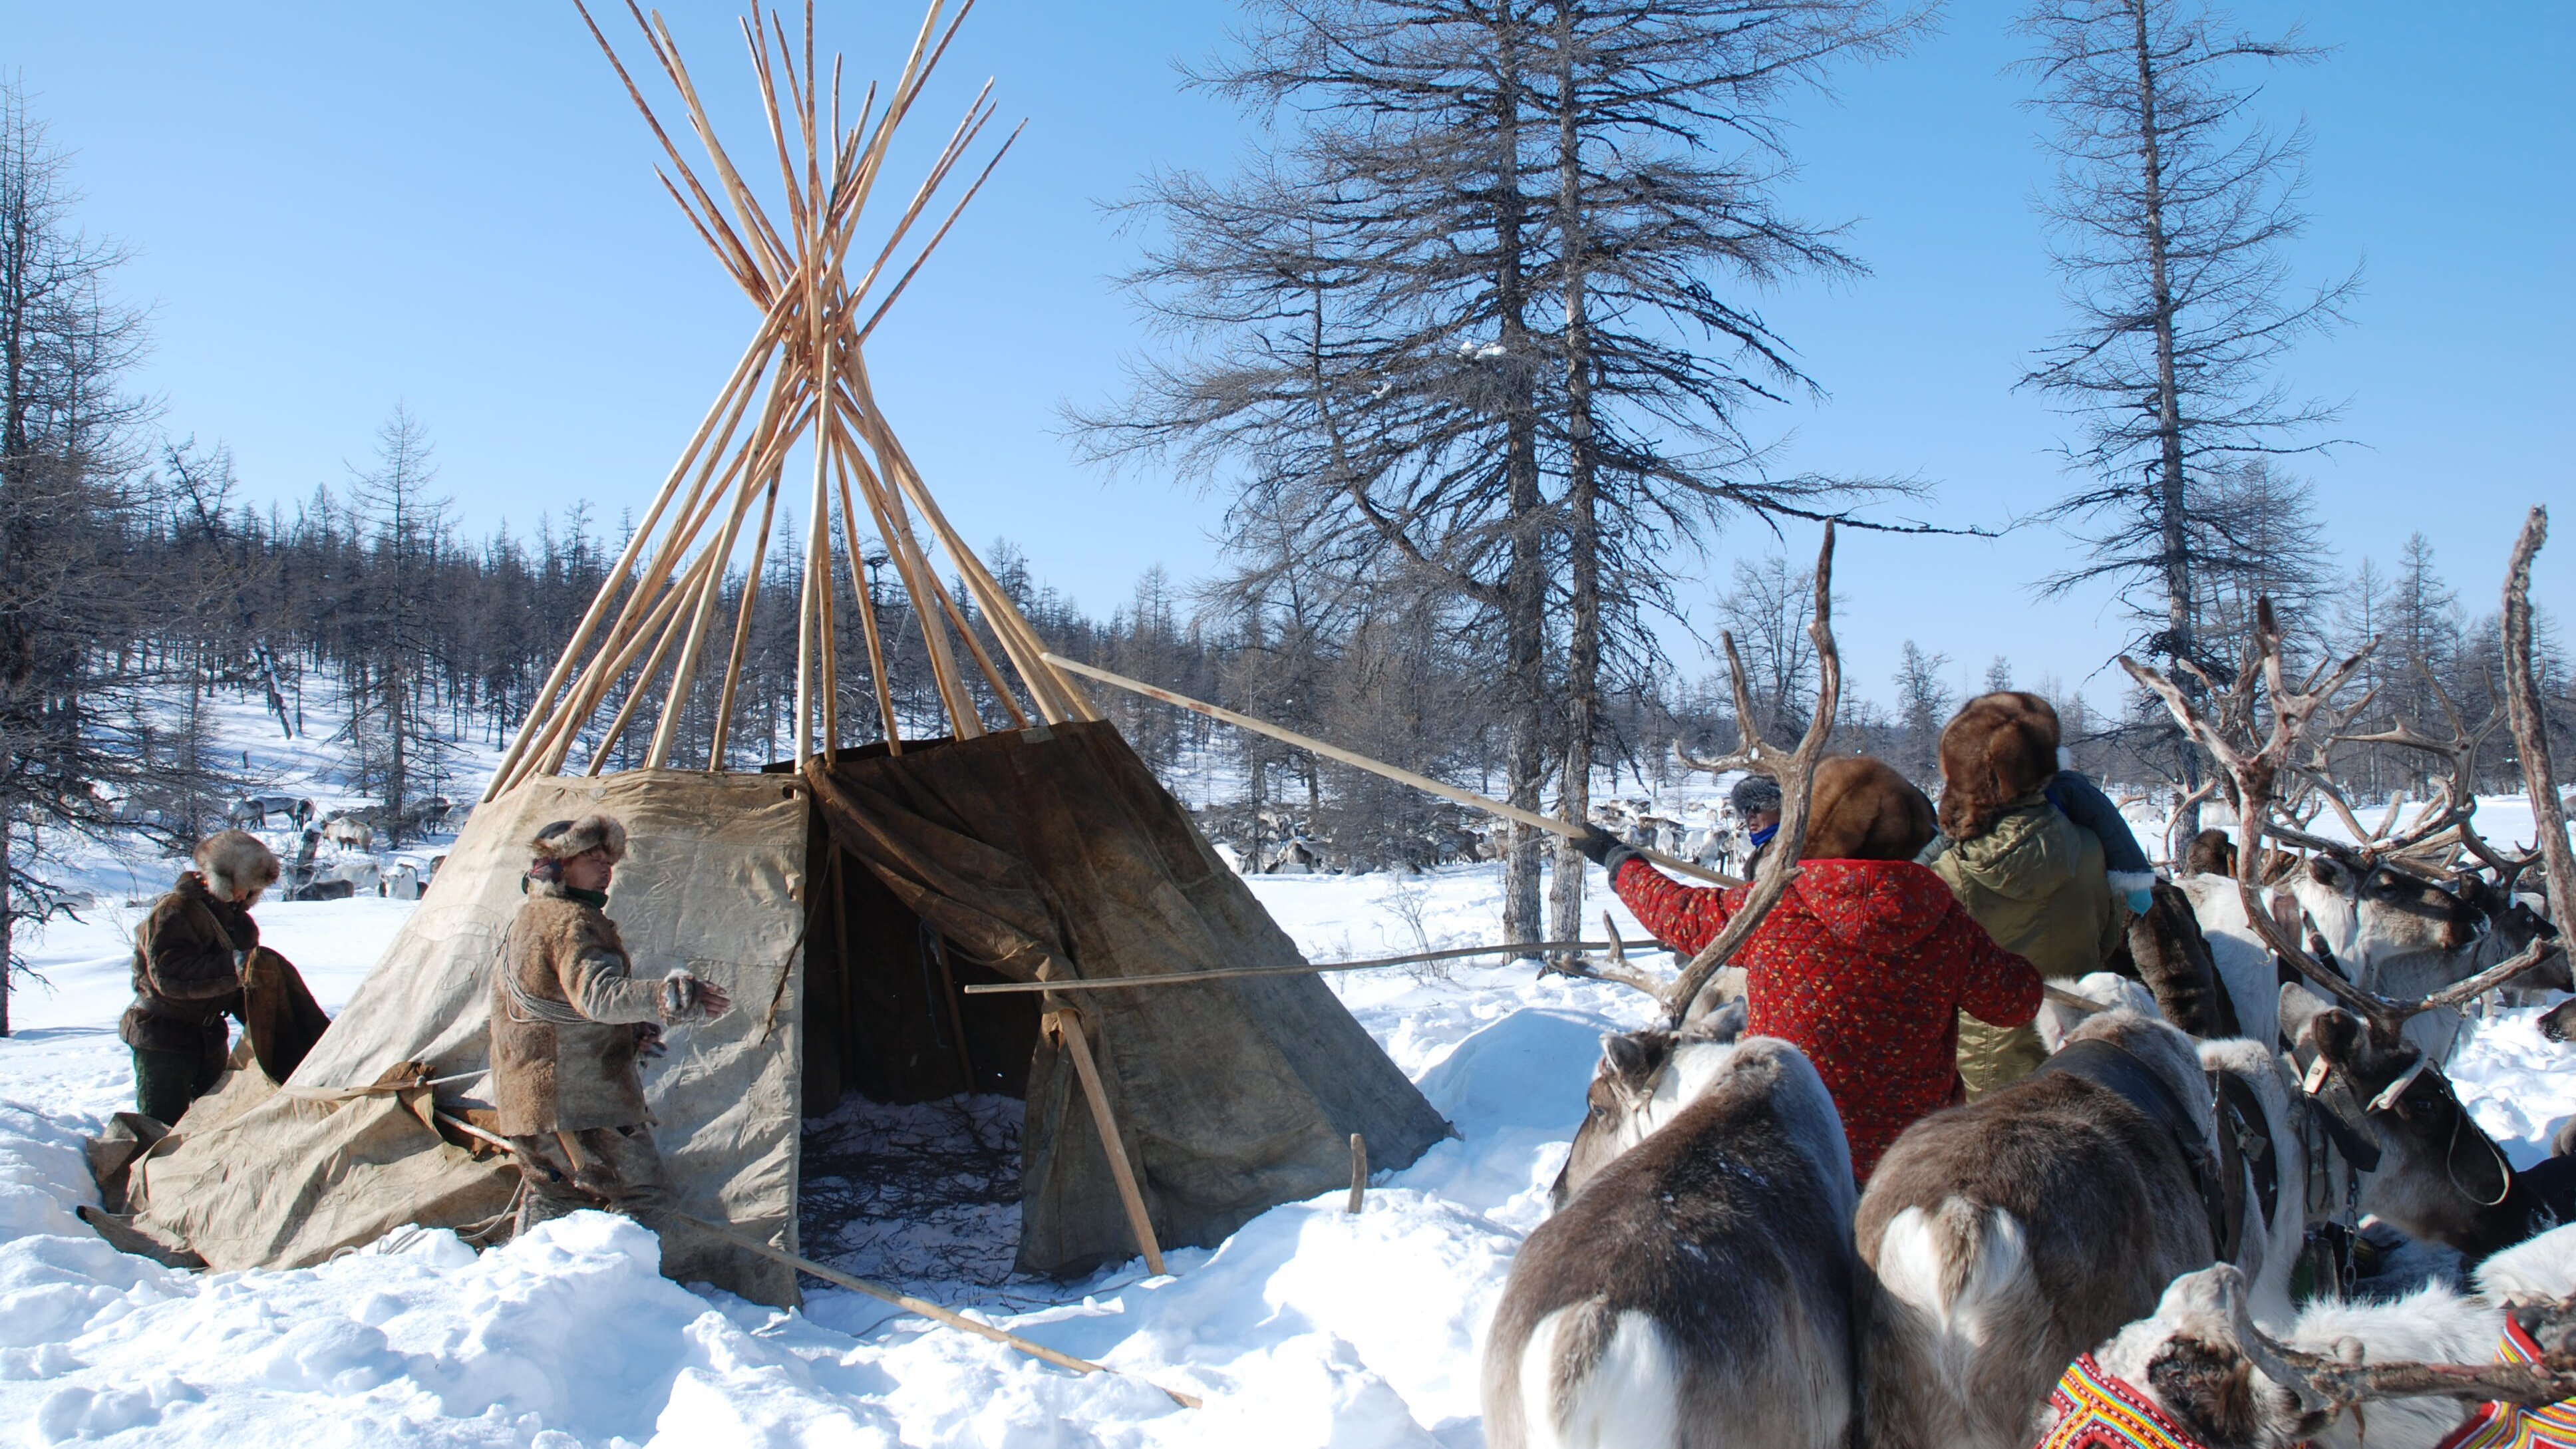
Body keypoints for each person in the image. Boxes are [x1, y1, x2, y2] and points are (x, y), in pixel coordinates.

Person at [1581, 755, 2041, 1183]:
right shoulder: (1945, 924)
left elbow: (1678, 913)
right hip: (1910, 1157)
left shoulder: (1774, 907)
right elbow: (2015, 1003)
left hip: (1792, 1145)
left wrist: (1622, 863)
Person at [491, 814, 733, 1237]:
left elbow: (548, 1007)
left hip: (526, 1102)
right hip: (583, 1105)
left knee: (554, 1200)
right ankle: (616, 1287)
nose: (606, 870)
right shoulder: (574, 922)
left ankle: (539, 1294)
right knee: (644, 1198)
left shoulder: (527, 920)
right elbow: (598, 997)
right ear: (557, 865)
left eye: (608, 860)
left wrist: (627, 1030)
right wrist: (668, 996)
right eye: (591, 857)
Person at [1926, 691, 2148, 1097]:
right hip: (2078, 1054)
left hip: (1987, 1070)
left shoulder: (1951, 873)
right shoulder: (2092, 848)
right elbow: (2108, 939)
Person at [122, 830, 280, 1124]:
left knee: (211, 1126)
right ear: (223, 877)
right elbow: (169, 976)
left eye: (251, 891)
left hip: (208, 1038)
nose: (244, 897)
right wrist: (235, 966)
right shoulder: (175, 911)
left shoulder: (240, 924)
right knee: (163, 1128)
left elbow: (242, 990)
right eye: (243, 887)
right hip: (163, 1037)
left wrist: (272, 1024)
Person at [1729, 772, 1784, 876]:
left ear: (1780, 809)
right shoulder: (1759, 853)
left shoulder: (1798, 851)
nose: (1750, 815)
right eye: (1746, 810)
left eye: (1757, 808)